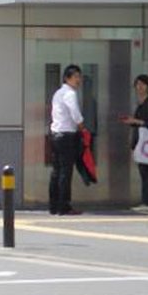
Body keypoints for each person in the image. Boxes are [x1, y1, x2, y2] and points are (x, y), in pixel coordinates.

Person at [49, 64, 84, 216]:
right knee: (65, 172)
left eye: (79, 76)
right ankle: (64, 206)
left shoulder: (58, 93)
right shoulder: (70, 93)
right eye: (75, 76)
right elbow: (75, 114)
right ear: (66, 78)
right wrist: (82, 127)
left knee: (56, 171)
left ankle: (53, 205)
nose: (78, 79)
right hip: (66, 136)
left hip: (55, 135)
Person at [120, 74, 148, 211]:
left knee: (146, 173)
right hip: (141, 143)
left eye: (143, 84)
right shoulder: (141, 103)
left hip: (147, 144)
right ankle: (146, 202)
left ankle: (147, 202)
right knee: (144, 172)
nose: (139, 87)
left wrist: (134, 121)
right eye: (137, 84)